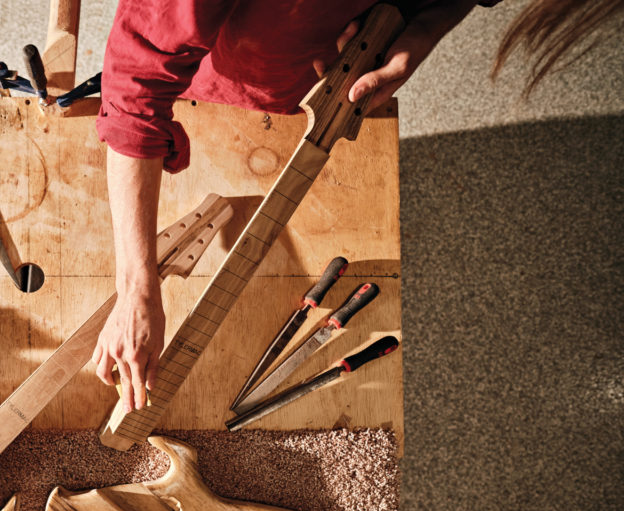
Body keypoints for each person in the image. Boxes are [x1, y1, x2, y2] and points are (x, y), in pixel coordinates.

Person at [90, 0, 622, 414]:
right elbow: (136, 86)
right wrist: (137, 289)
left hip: (324, 84)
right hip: (225, 81)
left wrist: (423, 30)